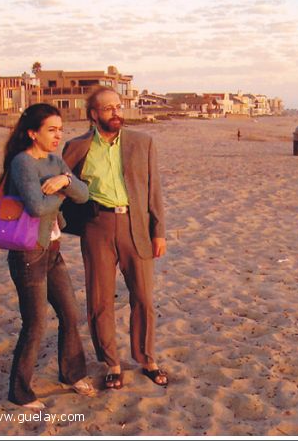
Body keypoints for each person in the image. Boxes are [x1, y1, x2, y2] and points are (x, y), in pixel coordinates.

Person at [62, 86, 168, 389]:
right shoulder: (77, 146)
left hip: (136, 225)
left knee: (144, 297)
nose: (116, 113)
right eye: (108, 108)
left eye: (119, 106)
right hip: (97, 226)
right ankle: (111, 363)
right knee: (99, 300)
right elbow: (60, 185)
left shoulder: (143, 142)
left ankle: (147, 358)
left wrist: (158, 232)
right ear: (94, 114)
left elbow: (154, 192)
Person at [0, 103, 96, 409]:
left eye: (61, 129)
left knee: (70, 313)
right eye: (51, 130)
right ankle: (19, 392)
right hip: (28, 252)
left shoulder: (55, 161)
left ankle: (72, 374)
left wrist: (65, 181)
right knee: (36, 323)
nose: (58, 136)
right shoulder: (23, 163)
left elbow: (84, 195)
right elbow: (36, 208)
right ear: (32, 133)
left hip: (52, 249)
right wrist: (58, 193)